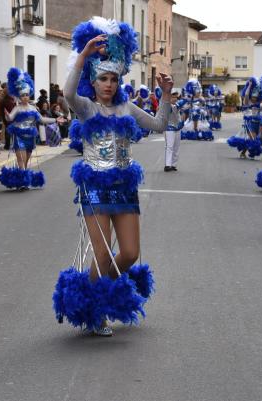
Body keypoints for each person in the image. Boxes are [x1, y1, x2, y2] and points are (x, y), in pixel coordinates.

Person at [53, 17, 172, 336]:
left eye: (113, 79)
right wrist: (83, 55)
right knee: (102, 252)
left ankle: (99, 292)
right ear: (93, 81)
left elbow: (159, 125)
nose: (108, 84)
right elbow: (66, 93)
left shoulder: (127, 108)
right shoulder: (86, 108)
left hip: (124, 189)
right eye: (103, 78)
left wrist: (167, 94)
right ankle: (95, 310)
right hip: (94, 188)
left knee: (130, 253)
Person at [0, 67, 59, 190]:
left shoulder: (33, 108)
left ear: (29, 94)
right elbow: (10, 119)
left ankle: (21, 179)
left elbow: (41, 120)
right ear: (19, 97)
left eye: (26, 95)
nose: (25, 97)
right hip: (19, 136)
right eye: (22, 95)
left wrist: (56, 120)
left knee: (25, 161)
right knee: (21, 159)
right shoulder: (17, 108)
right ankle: (24, 183)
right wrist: (7, 115)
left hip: (30, 137)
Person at [227, 78, 262, 157]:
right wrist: (249, 86)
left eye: (255, 97)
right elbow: (246, 95)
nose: (254, 98)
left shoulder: (259, 103)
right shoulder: (247, 102)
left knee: (252, 139)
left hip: (258, 123)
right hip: (249, 123)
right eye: (253, 96)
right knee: (251, 138)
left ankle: (246, 152)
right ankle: (246, 152)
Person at [164, 88, 181, 172]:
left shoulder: (177, 105)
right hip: (169, 128)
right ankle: (168, 165)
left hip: (178, 128)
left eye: (176, 97)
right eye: (173, 97)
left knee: (176, 147)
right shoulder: (166, 106)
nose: (175, 99)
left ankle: (174, 165)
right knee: (170, 146)